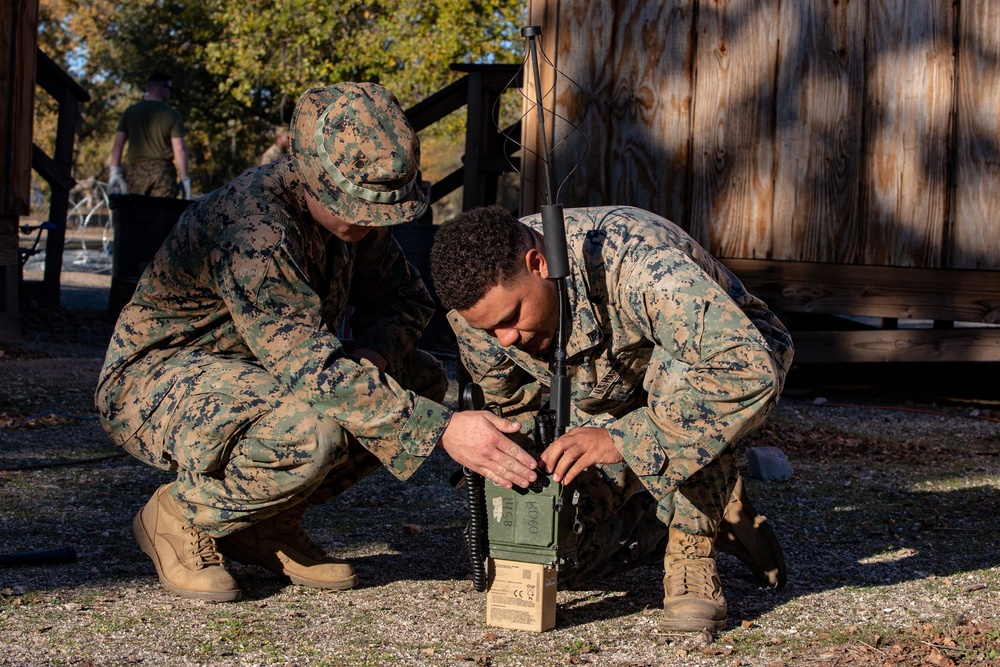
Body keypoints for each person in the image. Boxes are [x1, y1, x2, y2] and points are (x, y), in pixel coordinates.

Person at [95, 83, 539, 603]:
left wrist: (372, 357)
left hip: (267, 377)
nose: (369, 223)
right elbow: (315, 374)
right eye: (353, 207)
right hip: (158, 379)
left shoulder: (352, 219)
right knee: (313, 431)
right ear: (312, 177)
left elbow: (406, 300)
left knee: (414, 377)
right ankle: (179, 515)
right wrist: (442, 429)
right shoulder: (254, 227)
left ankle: (262, 522)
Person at [429, 204, 795, 633]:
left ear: (539, 264)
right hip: (607, 397)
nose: (505, 338)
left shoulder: (640, 264)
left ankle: (693, 547)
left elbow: (745, 369)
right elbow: (513, 406)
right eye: (490, 330)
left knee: (678, 375)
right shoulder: (478, 308)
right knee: (554, 554)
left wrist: (621, 440)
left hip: (720, 361)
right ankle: (717, 517)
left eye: (511, 319)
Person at [108, 70, 191, 199]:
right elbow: (179, 150)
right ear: (161, 87)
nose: (170, 93)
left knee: (136, 215)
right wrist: (185, 177)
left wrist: (115, 172)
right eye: (169, 88)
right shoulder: (171, 114)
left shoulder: (130, 112)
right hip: (163, 174)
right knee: (162, 216)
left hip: (136, 173)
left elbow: (117, 145)